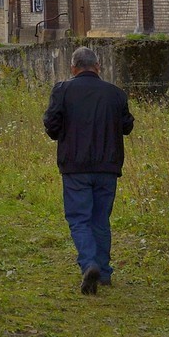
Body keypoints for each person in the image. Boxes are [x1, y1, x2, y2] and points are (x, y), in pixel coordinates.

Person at [43, 46, 135, 294]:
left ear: (73, 68)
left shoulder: (63, 90)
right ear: (98, 67)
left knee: (79, 219)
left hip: (75, 166)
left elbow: (51, 126)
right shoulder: (115, 94)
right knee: (100, 220)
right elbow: (127, 127)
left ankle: (89, 264)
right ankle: (103, 272)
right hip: (108, 166)